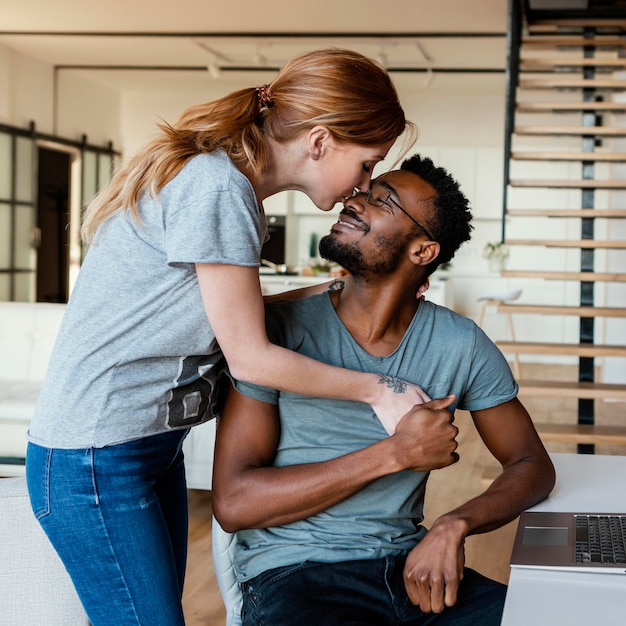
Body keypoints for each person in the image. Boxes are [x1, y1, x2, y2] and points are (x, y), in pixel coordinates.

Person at [25, 49, 428, 626]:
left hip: (143, 447)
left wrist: (340, 292)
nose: (361, 186)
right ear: (319, 140)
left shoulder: (228, 186)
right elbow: (251, 355)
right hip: (96, 456)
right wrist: (381, 391)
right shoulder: (217, 187)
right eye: (366, 165)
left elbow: (229, 316)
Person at [212, 154, 556, 626]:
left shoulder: (460, 344)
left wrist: (455, 525)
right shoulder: (273, 335)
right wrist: (394, 454)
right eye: (363, 192)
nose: (354, 202)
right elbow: (233, 503)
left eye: (382, 202)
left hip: (411, 569)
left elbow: (532, 464)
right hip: (297, 576)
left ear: (422, 252)